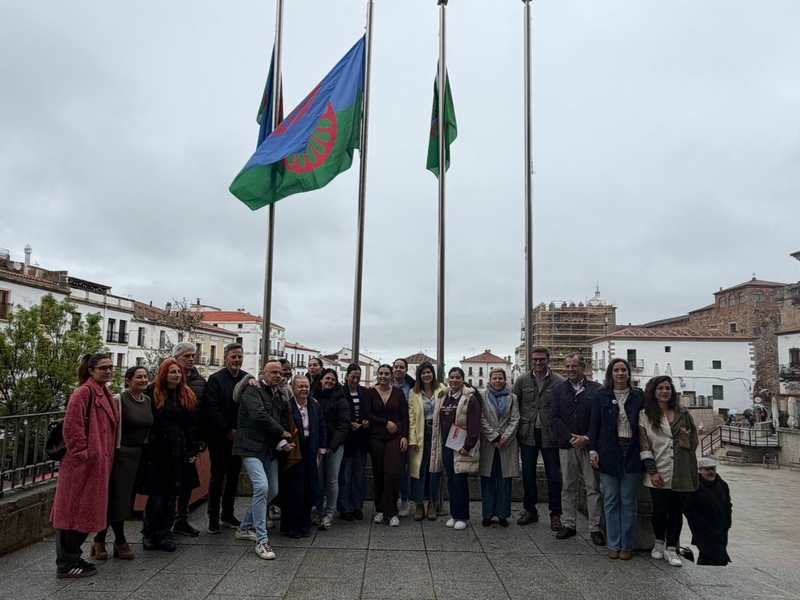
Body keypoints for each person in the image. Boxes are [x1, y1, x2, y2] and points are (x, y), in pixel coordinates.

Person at [51, 354, 119, 578]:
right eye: (103, 368)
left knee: (84, 512)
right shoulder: (83, 392)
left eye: (110, 367)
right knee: (73, 513)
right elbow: (72, 427)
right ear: (91, 371)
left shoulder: (103, 391)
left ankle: (72, 556)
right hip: (82, 465)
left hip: (96, 464)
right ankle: (66, 563)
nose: (108, 371)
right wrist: (84, 454)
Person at [231, 361, 294, 560]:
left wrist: (281, 441)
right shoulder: (252, 389)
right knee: (262, 487)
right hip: (250, 447)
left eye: (280, 373)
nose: (277, 375)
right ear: (262, 373)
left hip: (268, 449)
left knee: (272, 490)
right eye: (273, 372)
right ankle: (262, 540)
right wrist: (282, 432)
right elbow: (259, 415)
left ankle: (243, 527)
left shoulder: (277, 395)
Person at [92, 366, 153, 561]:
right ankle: (119, 541)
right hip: (121, 455)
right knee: (118, 500)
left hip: (138, 455)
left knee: (126, 501)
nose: (143, 380)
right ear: (128, 381)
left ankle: (99, 539)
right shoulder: (118, 400)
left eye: (145, 376)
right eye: (138, 377)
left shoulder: (147, 401)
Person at [639, 375, 699, 567]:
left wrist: (683, 441)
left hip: (682, 469)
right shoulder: (645, 415)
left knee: (676, 511)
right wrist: (652, 470)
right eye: (660, 388)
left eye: (667, 388)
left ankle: (671, 549)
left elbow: (692, 441)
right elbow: (644, 443)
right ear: (653, 391)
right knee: (659, 510)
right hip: (659, 468)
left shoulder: (683, 413)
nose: (664, 391)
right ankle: (658, 543)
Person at [588, 358, 645, 560]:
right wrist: (592, 450)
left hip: (632, 450)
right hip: (609, 450)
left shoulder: (639, 396)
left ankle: (627, 545)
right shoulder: (601, 395)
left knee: (628, 500)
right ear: (610, 374)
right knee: (611, 499)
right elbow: (594, 425)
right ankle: (613, 543)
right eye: (616, 370)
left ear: (628, 373)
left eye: (623, 370)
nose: (620, 373)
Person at [141, 359, 199, 552]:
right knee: (156, 496)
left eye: (179, 372)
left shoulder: (185, 394)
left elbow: (191, 425)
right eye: (173, 372)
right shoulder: (152, 393)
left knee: (171, 495)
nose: (177, 375)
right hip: (157, 450)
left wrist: (192, 450)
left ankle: (165, 533)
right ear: (164, 374)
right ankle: (149, 533)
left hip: (178, 449)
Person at [550, 354, 605, 545]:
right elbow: (554, 416)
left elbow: (600, 418)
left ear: (583, 367)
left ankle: (595, 528)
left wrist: (587, 437)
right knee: (568, 486)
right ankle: (569, 524)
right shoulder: (559, 389)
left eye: (574, 366)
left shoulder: (597, 389)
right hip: (567, 445)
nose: (570, 370)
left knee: (593, 487)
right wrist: (571, 437)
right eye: (567, 366)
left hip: (590, 446)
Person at [513, 347, 565, 530]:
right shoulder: (522, 380)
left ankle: (555, 514)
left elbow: (563, 409)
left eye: (541, 359)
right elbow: (516, 406)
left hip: (550, 434)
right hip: (527, 433)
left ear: (548, 360)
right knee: (528, 474)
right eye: (535, 359)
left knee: (554, 476)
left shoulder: (559, 381)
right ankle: (530, 511)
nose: (538, 362)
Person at [430, 367, 481, 531]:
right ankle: (454, 514)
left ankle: (463, 516)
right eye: (452, 377)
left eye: (458, 377)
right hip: (446, 444)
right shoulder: (443, 396)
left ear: (463, 379)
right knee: (451, 479)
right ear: (448, 379)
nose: (454, 380)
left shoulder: (470, 398)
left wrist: (468, 446)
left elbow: (474, 424)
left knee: (460, 480)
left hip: (461, 446)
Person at [204, 343, 248, 534]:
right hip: (219, 437)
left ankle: (227, 514)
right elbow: (211, 409)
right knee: (217, 478)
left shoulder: (247, 378)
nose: (237, 360)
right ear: (225, 359)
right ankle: (213, 517)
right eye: (233, 357)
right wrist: (228, 430)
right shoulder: (215, 379)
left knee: (233, 478)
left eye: (239, 356)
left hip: (239, 438)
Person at [279, 376, 327, 538]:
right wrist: (284, 444)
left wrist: (321, 450)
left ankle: (305, 525)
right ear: (293, 388)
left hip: (311, 448)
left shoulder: (314, 405)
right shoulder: (287, 406)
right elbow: (282, 425)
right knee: (293, 488)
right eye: (300, 386)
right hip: (294, 450)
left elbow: (322, 426)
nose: (304, 389)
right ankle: (291, 526)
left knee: (308, 486)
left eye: (306, 386)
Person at [364, 364, 409, 527]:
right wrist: (385, 422)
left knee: (391, 472)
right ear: (377, 375)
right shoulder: (370, 392)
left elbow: (405, 416)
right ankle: (381, 510)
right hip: (376, 436)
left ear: (391, 376)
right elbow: (367, 413)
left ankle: (392, 512)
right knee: (379, 472)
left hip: (395, 437)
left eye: (386, 374)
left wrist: (405, 436)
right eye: (381, 373)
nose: (383, 376)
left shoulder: (398, 393)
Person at [170, 341, 206, 538]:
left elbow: (204, 412)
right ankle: (165, 520)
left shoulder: (200, 381)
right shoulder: (166, 380)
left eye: (193, 356)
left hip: (191, 439)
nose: (191, 359)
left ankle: (181, 519)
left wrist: (202, 438)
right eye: (187, 356)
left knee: (187, 482)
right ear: (176, 358)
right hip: (170, 440)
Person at [479, 368, 520, 527]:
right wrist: (494, 437)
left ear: (505, 380)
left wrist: (504, 438)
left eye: (500, 378)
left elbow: (515, 419)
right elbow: (481, 418)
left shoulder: (512, 397)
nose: (497, 381)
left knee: (505, 481)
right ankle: (487, 514)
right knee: (487, 480)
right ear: (490, 380)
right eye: (495, 378)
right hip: (488, 443)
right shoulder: (482, 396)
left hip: (507, 444)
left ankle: (503, 514)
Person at [408, 362, 446, 521]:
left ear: (433, 373)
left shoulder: (442, 389)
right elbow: (411, 417)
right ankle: (418, 504)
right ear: (419, 375)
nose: (426, 375)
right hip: (420, 434)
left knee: (435, 470)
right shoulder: (414, 392)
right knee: (418, 470)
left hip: (437, 433)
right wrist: (412, 439)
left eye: (429, 372)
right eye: (423, 373)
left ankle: (432, 503)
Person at [314, 368, 351, 529]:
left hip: (334, 447)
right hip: (316, 446)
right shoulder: (313, 396)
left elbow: (344, 424)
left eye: (333, 379)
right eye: (327, 378)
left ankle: (329, 513)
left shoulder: (340, 400)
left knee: (332, 480)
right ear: (321, 380)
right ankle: (318, 511)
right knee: (318, 480)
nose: (329, 381)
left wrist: (332, 445)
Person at [338, 363, 371, 521]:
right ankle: (345, 508)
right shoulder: (340, 392)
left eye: (358, 377)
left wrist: (366, 421)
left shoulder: (365, 392)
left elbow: (369, 411)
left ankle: (357, 506)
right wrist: (349, 423)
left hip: (361, 439)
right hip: (346, 439)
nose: (355, 380)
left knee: (359, 475)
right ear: (347, 377)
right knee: (344, 475)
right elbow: (337, 413)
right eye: (353, 377)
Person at [684, 458, 732, 566]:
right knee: (710, 555)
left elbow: (728, 506)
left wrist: (727, 524)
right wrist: (699, 524)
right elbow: (688, 509)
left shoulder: (722, 485)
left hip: (721, 529)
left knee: (716, 555)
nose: (710, 472)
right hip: (702, 530)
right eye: (707, 469)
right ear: (700, 470)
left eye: (712, 469)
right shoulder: (694, 486)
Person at [391, 358, 415, 517]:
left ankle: (404, 500)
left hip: (406, 431)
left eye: (401, 367)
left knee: (403, 469)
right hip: (387, 431)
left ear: (406, 370)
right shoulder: (385, 384)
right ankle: (393, 499)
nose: (398, 369)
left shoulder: (412, 387)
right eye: (396, 367)